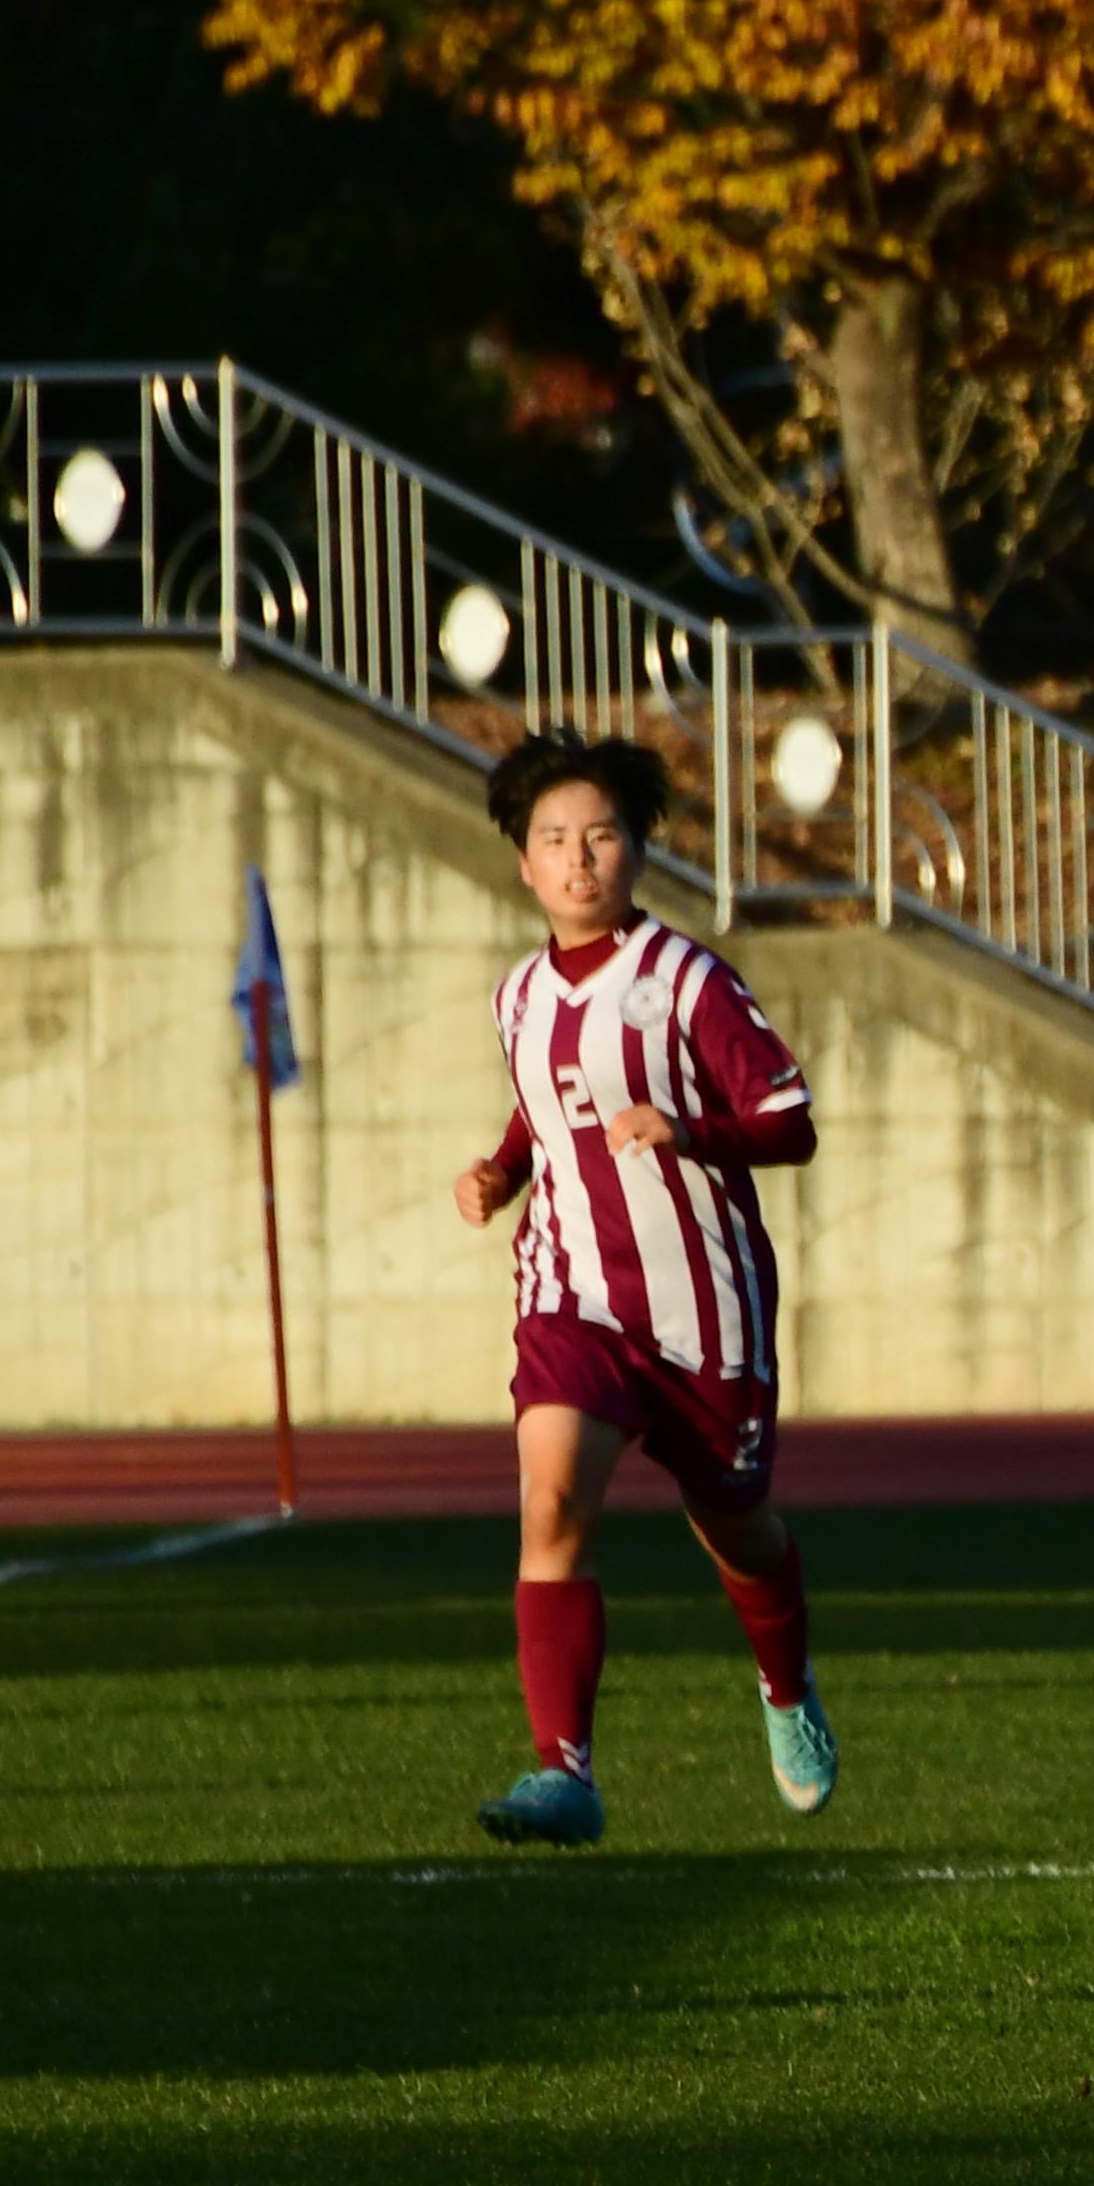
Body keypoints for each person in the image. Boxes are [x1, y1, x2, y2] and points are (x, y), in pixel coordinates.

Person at [455, 730, 833, 1845]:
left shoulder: (688, 981)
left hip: (700, 1305)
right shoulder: (517, 995)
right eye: (555, 841)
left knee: (738, 1525)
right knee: (551, 1498)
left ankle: (785, 1685)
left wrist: (689, 1130)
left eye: (602, 836)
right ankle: (564, 1773)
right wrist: (502, 1171)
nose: (580, 860)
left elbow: (790, 1124)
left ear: (635, 853)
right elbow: (547, 1103)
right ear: (524, 863)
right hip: (571, 1295)